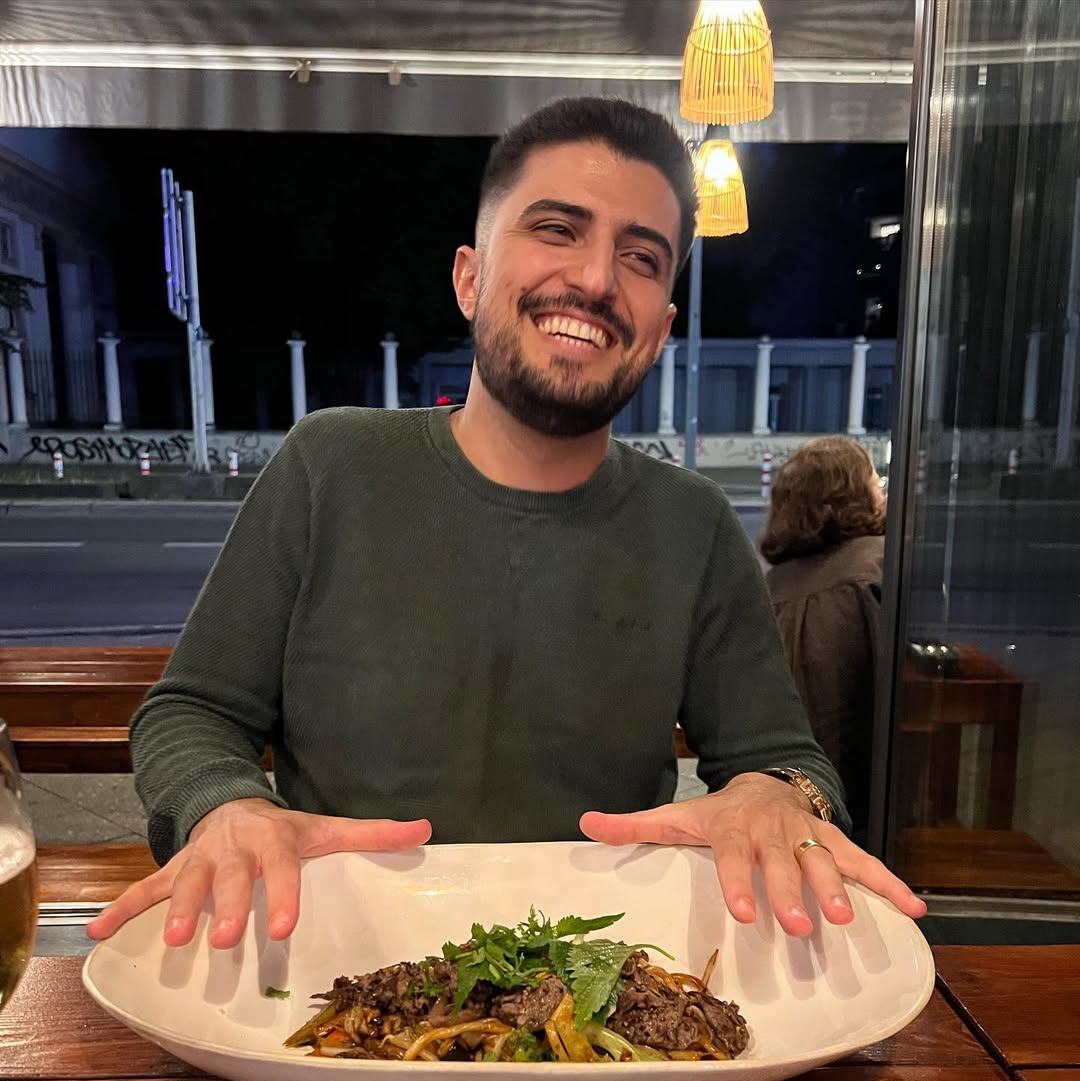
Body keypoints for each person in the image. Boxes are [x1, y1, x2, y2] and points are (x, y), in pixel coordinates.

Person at [88, 97, 924, 953]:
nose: (596, 279)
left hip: (593, 985)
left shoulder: (694, 524)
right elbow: (191, 710)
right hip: (334, 959)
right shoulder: (329, 465)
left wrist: (778, 797)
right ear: (470, 277)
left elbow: (788, 760)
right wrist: (227, 805)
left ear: (661, 329)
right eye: (557, 229)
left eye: (641, 257)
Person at [759, 435, 888, 843]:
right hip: (869, 808)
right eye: (876, 484)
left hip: (786, 807)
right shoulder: (880, 565)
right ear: (850, 497)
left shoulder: (769, 587)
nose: (884, 495)